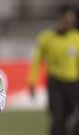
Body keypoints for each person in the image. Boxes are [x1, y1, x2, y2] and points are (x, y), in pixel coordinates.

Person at [28, 7, 79, 135]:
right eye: (67, 20)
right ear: (60, 19)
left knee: (72, 118)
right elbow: (36, 61)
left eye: (72, 21)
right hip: (56, 84)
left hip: (74, 84)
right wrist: (32, 81)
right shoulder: (46, 38)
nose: (69, 23)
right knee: (57, 118)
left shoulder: (76, 37)